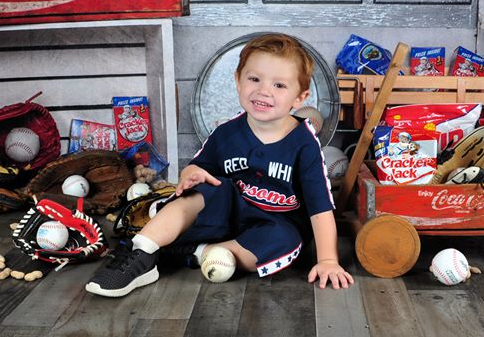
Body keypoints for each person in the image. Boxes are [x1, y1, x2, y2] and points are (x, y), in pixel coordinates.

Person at [86, 33, 354, 297]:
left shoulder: (304, 144)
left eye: (279, 86)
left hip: (275, 223)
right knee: (202, 189)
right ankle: (141, 251)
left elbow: (320, 211)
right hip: (226, 215)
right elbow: (197, 168)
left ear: (300, 98)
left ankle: (190, 252)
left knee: (286, 239)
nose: (264, 91)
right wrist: (190, 174)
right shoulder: (226, 133)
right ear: (238, 81)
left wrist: (329, 260)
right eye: (254, 79)